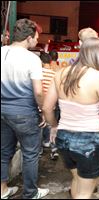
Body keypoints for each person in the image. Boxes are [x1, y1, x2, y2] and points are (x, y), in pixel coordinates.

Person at [42, 37, 99, 199]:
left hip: (63, 138)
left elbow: (47, 108)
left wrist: (54, 126)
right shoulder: (98, 77)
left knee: (77, 178)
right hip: (87, 141)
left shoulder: (61, 73)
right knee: (85, 192)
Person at [1, 18, 49, 199]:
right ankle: (30, 193)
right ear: (28, 37)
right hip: (25, 113)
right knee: (31, 154)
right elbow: (38, 91)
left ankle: (2, 190)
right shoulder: (32, 59)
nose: (37, 41)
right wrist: (43, 110)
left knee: (4, 152)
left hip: (2, 111)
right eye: (36, 37)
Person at [40, 52, 59, 160]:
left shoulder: (38, 73)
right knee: (53, 127)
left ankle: (40, 150)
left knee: (40, 127)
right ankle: (54, 150)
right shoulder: (54, 74)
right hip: (52, 104)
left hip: (40, 104)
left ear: (41, 62)